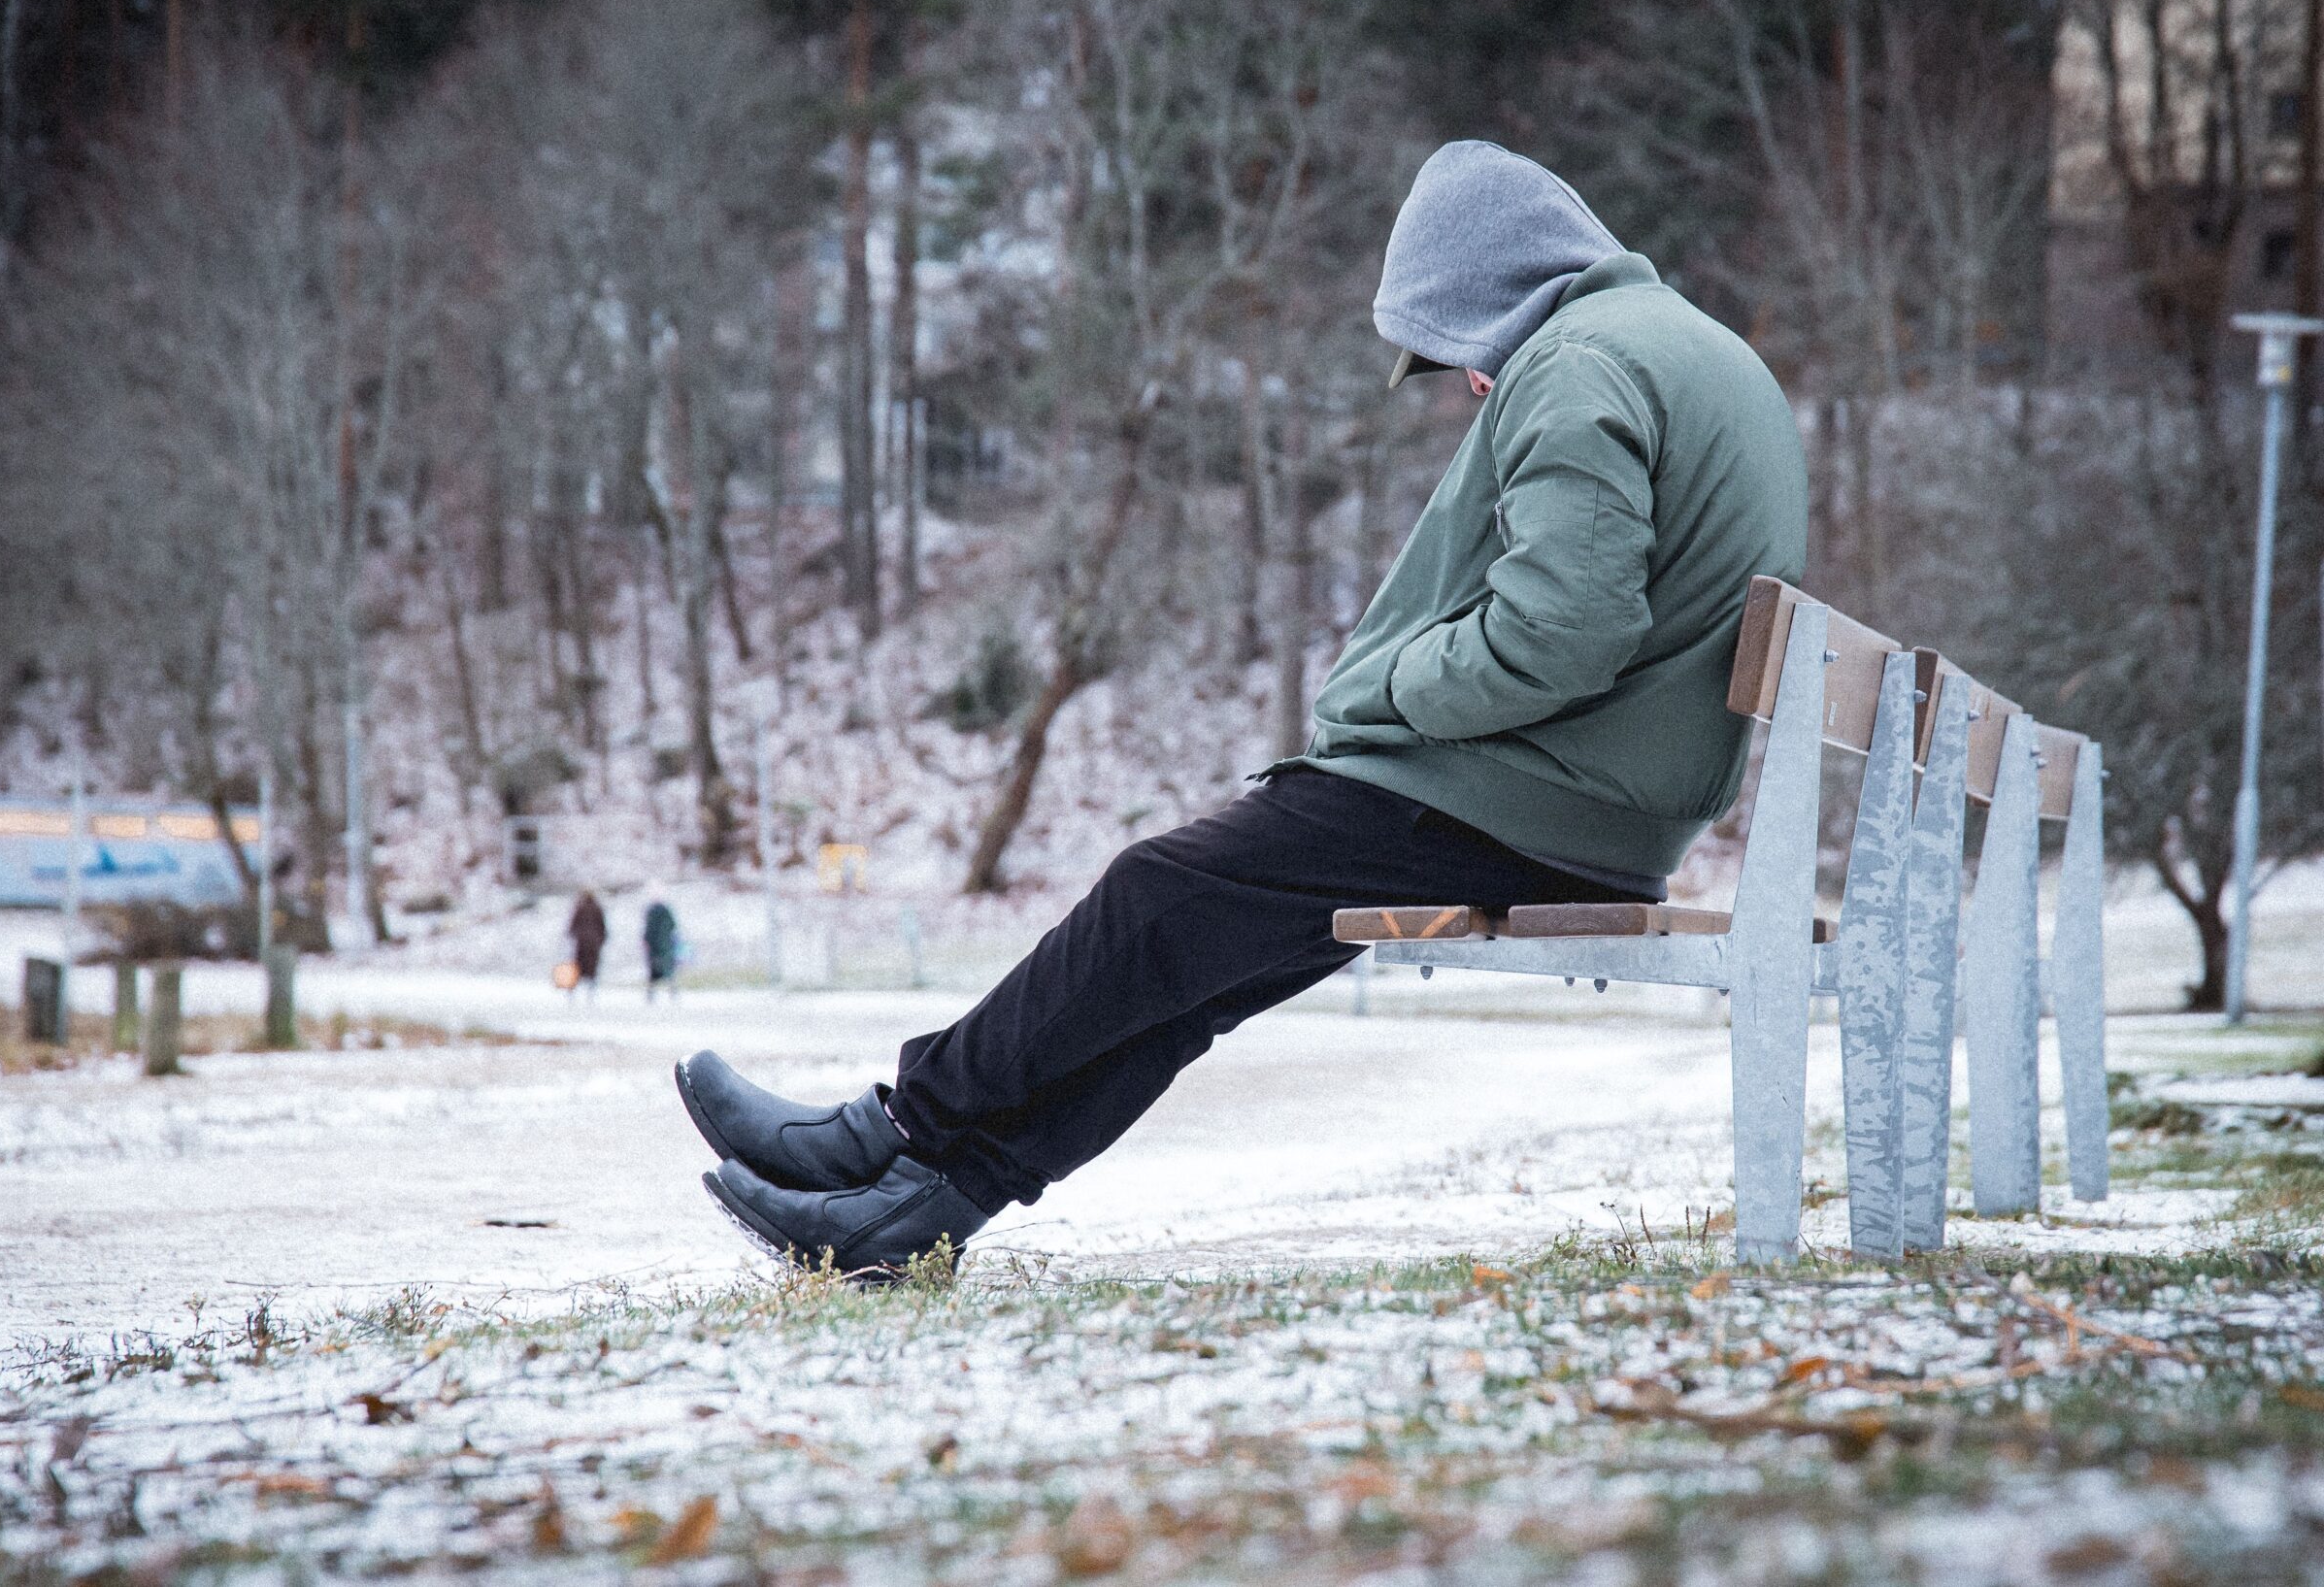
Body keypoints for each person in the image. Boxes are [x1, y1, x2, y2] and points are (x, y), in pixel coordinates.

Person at [680, 141, 1809, 1276]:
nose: (1470, 384)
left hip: (1527, 805)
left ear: (1495, 292)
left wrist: (1397, 684)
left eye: (1461, 354)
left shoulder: (1577, 363)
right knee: (1188, 963)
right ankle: (915, 1206)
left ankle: (892, 1131)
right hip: (1595, 805)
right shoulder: (1698, 352)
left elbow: (1562, 631)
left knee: (1157, 894)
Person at [566, 891, 608, 1001]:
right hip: (594, 943)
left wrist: (572, 934)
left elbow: (573, 924)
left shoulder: (580, 907)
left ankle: (573, 990)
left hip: (581, 942)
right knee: (592, 967)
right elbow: (602, 926)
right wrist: (601, 939)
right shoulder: (597, 908)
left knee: (578, 966)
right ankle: (591, 991)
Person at [644, 899, 681, 1003]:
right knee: (665, 970)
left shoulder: (654, 913)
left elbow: (648, 931)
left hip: (661, 947)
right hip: (664, 947)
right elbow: (673, 926)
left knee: (656, 971)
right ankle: (670, 992)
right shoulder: (662, 912)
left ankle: (653, 994)